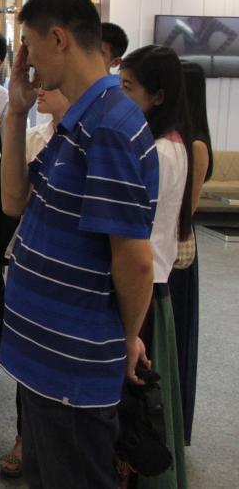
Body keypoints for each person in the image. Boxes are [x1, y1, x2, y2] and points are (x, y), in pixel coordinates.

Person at [0, 0, 158, 489]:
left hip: (73, 360)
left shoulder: (108, 125)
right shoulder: (81, 118)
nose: (26, 60)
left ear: (59, 39)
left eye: (29, 44)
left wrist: (126, 338)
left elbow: (134, 260)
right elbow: (14, 201)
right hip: (46, 352)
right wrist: (16, 112)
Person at [120, 45, 191, 488]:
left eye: (128, 88)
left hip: (144, 286)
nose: (120, 98)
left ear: (158, 96)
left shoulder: (159, 152)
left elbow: (138, 236)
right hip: (153, 283)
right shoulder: (170, 143)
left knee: (137, 409)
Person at [0, 86, 70, 479]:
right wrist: (15, 115)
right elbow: (12, 201)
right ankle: (25, 438)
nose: (40, 88)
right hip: (30, 256)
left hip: (70, 269)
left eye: (50, 83)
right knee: (30, 361)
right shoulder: (33, 136)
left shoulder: (98, 134)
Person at [172, 60, 210, 446]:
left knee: (175, 338)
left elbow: (187, 211)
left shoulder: (195, 145)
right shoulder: (172, 137)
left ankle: (171, 423)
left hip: (178, 253)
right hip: (165, 249)